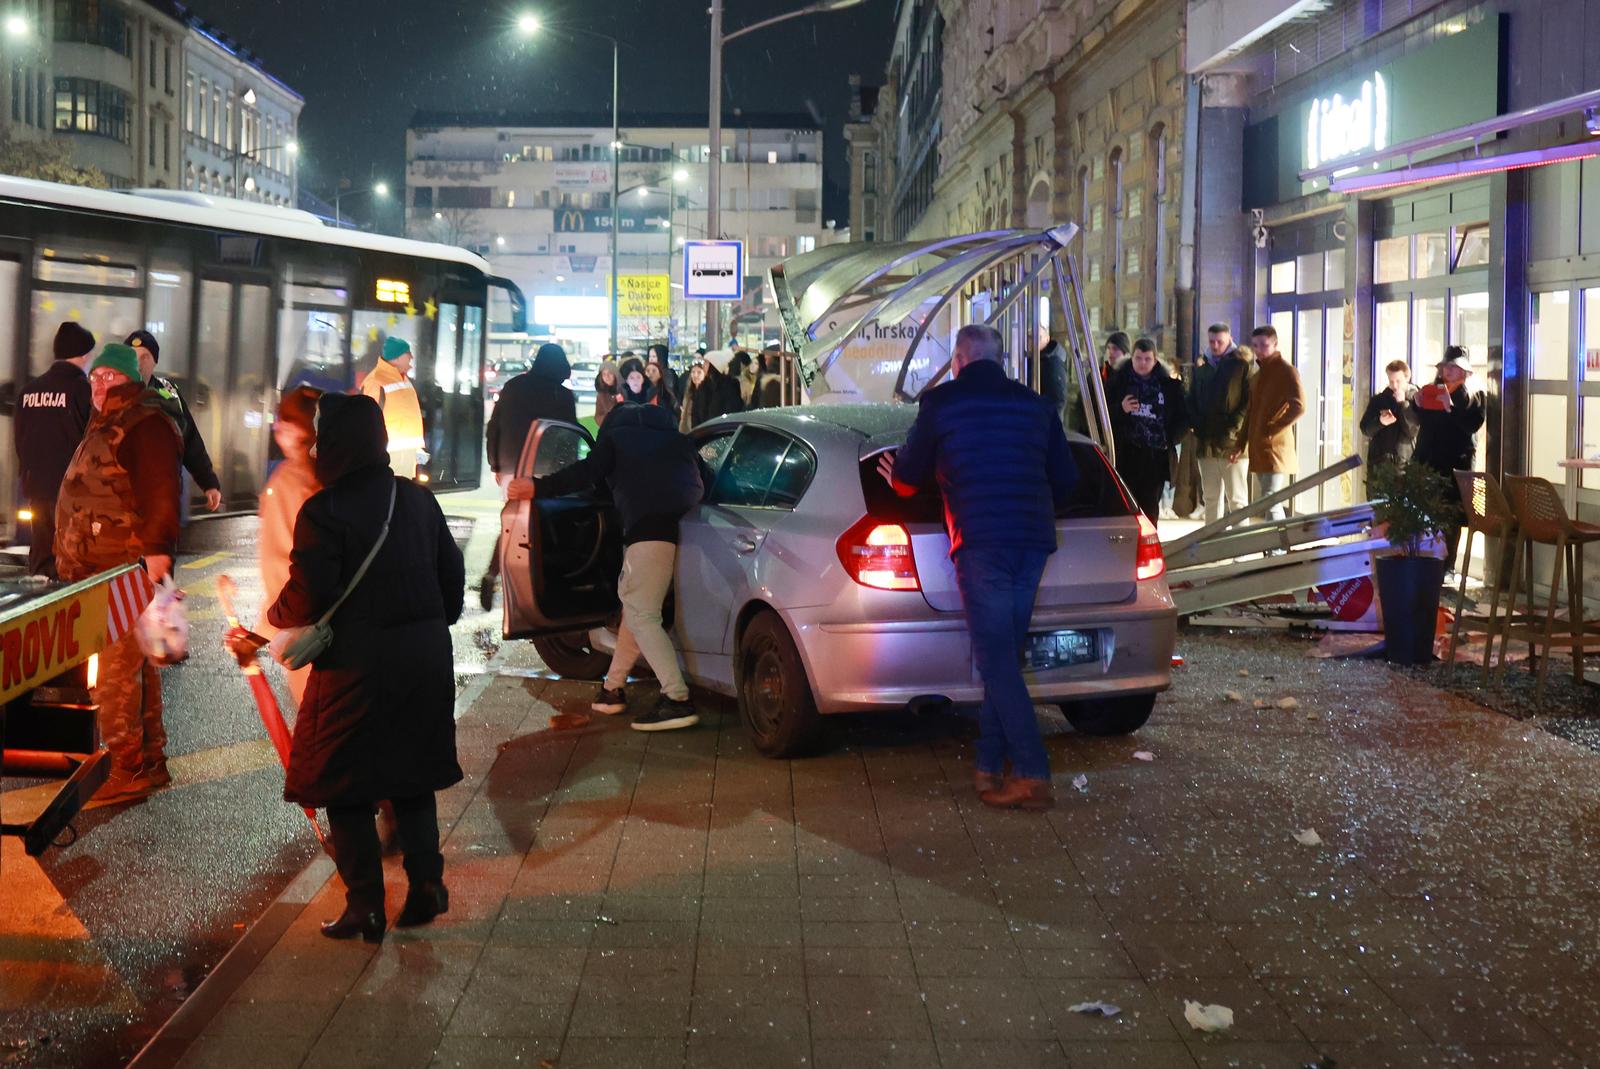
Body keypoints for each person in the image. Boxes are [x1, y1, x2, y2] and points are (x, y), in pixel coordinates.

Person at [267, 393, 465, 943]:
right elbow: (452, 582)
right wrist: (427, 626)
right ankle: (426, 885)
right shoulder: (417, 501)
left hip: (354, 669)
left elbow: (307, 596)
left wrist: (275, 615)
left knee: (343, 782)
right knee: (411, 775)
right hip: (423, 661)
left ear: (332, 444)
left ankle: (366, 907)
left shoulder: (324, 510)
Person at [881, 324, 1077, 811]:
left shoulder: (941, 404)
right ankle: (988, 767)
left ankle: (1032, 773)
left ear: (958, 361)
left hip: (981, 541)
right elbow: (1067, 481)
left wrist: (896, 475)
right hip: (1032, 542)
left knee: (994, 660)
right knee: (1004, 657)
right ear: (1001, 359)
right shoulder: (1036, 406)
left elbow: (906, 481)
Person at [509, 390, 705, 733]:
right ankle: (612, 690)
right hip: (695, 536)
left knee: (642, 615)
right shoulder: (680, 442)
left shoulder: (617, 439)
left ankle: (676, 699)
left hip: (650, 533)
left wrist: (536, 488)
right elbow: (709, 481)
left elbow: (585, 474)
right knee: (636, 611)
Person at [54, 343, 183, 807]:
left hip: (123, 569)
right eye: (95, 377)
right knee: (137, 669)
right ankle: (149, 762)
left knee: (115, 675)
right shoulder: (110, 421)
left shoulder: (144, 425)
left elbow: (161, 493)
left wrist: (157, 554)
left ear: (130, 379)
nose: (99, 384)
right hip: (104, 568)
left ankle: (125, 766)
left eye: (109, 376)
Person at [481, 343, 578, 610]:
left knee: (513, 524)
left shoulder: (513, 387)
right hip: (546, 472)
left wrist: (495, 465)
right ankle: (532, 587)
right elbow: (567, 439)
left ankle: (495, 572)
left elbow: (494, 427)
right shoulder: (563, 396)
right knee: (542, 528)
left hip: (513, 467)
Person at [256, 386, 322, 708]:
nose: (278, 427)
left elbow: (285, 560)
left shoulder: (293, 480)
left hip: (301, 623)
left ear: (304, 430)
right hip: (309, 619)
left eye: (287, 421)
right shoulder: (319, 475)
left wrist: (268, 625)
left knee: (314, 722)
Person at [13, 322, 94, 577]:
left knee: (41, 552)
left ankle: (39, 602)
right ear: (84, 356)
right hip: (72, 492)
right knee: (71, 556)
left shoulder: (28, 392)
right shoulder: (83, 391)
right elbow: (92, 441)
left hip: (37, 487)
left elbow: (20, 441)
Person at [126, 330, 222, 513]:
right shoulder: (112, 394)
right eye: (132, 355)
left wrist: (208, 482)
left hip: (163, 497)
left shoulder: (169, 393)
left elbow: (190, 439)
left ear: (155, 362)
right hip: (123, 497)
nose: (139, 362)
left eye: (145, 356)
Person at [1413, 345, 1487, 570]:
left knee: (1452, 515)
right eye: (1446, 366)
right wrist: (1418, 406)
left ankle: (1447, 566)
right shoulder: (1433, 390)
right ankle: (1428, 560)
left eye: (1454, 368)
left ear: (1464, 372)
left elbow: (1471, 425)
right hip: (1429, 461)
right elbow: (1426, 425)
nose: (1448, 371)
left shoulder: (1474, 394)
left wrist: (1451, 408)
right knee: (1428, 513)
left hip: (1455, 466)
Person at [1107, 338, 1188, 525]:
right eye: (1138, 358)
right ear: (1131, 358)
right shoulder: (1118, 383)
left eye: (1147, 359)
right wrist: (1121, 408)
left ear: (1155, 360)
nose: (1142, 363)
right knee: (1125, 506)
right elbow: (1101, 414)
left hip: (1155, 456)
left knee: (1150, 507)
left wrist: (1170, 439)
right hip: (1127, 453)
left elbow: (1182, 417)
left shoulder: (1168, 386)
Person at [1188, 323, 1253, 523]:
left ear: (1229, 340)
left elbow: (1248, 402)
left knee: (1237, 500)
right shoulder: (1202, 368)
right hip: (1206, 443)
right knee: (1211, 498)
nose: (1215, 345)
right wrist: (1197, 424)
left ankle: (1240, 548)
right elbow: (1192, 400)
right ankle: (1212, 546)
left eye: (1220, 341)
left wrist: (1234, 427)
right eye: (1212, 341)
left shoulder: (1241, 365)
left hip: (1232, 444)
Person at [1242, 325, 1305, 523]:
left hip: (1274, 447)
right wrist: (1240, 443)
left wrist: (1273, 427)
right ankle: (1275, 546)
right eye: (1255, 346)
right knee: (1268, 498)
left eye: (1264, 345)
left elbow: (1299, 405)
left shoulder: (1286, 371)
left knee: (1270, 499)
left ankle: (1277, 545)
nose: (1258, 350)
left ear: (1275, 344)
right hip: (1262, 445)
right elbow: (1250, 413)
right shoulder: (1259, 376)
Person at [359, 335, 426, 479]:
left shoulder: (401, 378)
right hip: (390, 454)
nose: (411, 357)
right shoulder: (376, 381)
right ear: (396, 358)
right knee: (390, 493)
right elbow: (367, 420)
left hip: (405, 452)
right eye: (408, 354)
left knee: (402, 494)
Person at [1360, 359, 1420, 469]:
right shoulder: (1379, 400)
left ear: (1407, 378)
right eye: (1391, 381)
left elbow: (1412, 431)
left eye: (1398, 381)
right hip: (1380, 463)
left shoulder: (1416, 400)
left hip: (1405, 464)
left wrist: (1403, 404)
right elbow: (1365, 428)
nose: (1395, 385)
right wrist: (1380, 422)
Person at [1036, 325, 1074, 430]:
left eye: (1038, 337)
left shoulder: (1052, 363)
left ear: (1047, 339)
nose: (1033, 341)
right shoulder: (1036, 360)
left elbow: (1057, 399)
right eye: (1029, 337)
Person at [679, 359, 706, 433]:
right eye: (693, 372)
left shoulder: (707, 393)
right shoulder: (689, 392)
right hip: (688, 430)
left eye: (699, 372)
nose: (695, 375)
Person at [594, 359, 621, 425]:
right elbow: (598, 416)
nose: (607, 376)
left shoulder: (623, 390)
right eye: (604, 374)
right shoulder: (601, 394)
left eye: (610, 373)